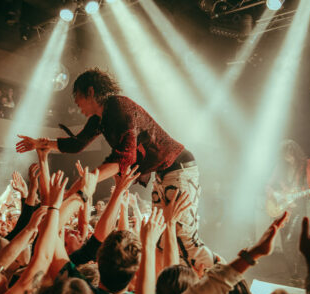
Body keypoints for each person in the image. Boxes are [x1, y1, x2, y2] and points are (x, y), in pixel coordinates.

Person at [16, 68, 220, 270]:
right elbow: (77, 144)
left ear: (90, 92)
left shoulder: (118, 107)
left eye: (77, 97)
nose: (77, 105)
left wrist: (88, 182)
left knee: (187, 241)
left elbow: (127, 156)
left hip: (179, 169)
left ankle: (233, 283)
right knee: (160, 240)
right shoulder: (100, 118)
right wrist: (40, 144)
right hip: (165, 174)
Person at [266, 139, 310, 278]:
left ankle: (298, 272)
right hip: (283, 206)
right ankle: (294, 273)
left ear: (296, 152)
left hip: (302, 206)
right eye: (285, 155)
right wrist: (278, 195)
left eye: (290, 154)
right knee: (285, 241)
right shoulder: (280, 167)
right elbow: (268, 186)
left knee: (293, 238)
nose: (288, 158)